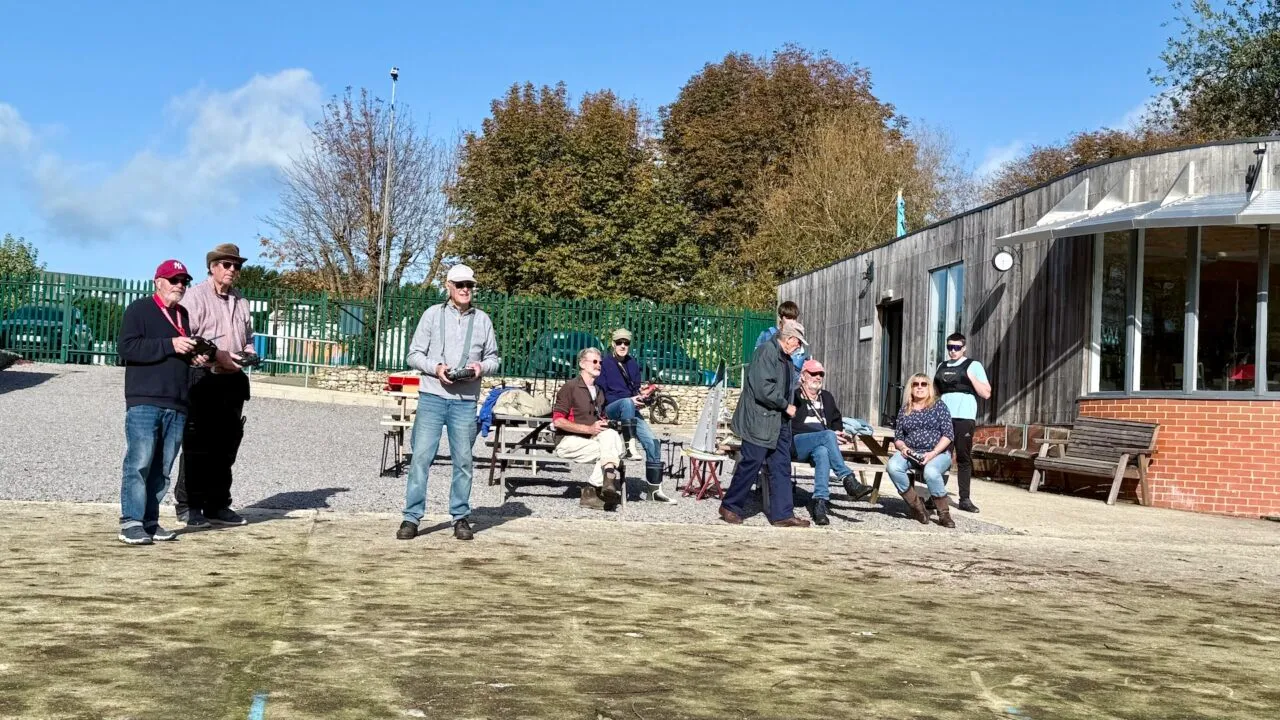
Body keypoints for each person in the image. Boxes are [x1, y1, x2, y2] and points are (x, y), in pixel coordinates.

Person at [397, 264, 501, 541]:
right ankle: (411, 517)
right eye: (460, 284)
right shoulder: (432, 315)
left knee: (463, 461)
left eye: (469, 285)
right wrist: (436, 368)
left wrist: (480, 368)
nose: (465, 289)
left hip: (465, 401)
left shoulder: (483, 320)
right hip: (432, 397)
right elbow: (413, 354)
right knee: (421, 458)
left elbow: (494, 359)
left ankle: (460, 517)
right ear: (449, 286)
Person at [116, 260, 209, 545]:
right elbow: (127, 348)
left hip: (177, 402)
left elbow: (175, 354)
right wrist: (171, 344)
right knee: (139, 463)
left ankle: (150, 521)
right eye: (173, 280)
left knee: (163, 469)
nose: (180, 285)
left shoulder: (182, 314)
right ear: (158, 282)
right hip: (145, 399)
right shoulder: (139, 309)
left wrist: (193, 357)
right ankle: (131, 522)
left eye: (184, 281)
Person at [174, 243, 257, 529]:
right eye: (227, 264)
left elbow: (248, 337)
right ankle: (188, 505)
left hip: (233, 380)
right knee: (198, 443)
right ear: (212, 267)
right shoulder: (195, 297)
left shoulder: (241, 301)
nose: (232, 270)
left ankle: (218, 503)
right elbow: (187, 337)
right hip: (204, 377)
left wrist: (248, 353)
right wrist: (216, 355)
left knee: (227, 444)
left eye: (237, 265)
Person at [719, 320, 810, 528]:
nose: (799, 346)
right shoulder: (766, 352)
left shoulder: (785, 358)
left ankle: (782, 514)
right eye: (798, 342)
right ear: (789, 339)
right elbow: (763, 389)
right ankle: (730, 506)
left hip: (779, 422)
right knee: (751, 464)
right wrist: (786, 405)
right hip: (759, 420)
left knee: (781, 467)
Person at [791, 359, 873, 525]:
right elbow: (792, 426)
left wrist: (839, 433)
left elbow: (836, 420)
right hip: (797, 443)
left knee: (822, 452)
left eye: (821, 374)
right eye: (813, 373)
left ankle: (819, 503)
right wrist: (828, 434)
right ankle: (847, 478)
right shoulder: (794, 396)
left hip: (820, 444)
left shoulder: (826, 397)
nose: (818, 377)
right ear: (803, 376)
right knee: (827, 435)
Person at [598, 327, 674, 503]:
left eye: (626, 343)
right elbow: (602, 394)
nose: (622, 346)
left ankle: (654, 491)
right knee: (626, 402)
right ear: (613, 344)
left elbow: (634, 391)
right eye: (619, 342)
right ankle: (629, 448)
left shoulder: (632, 364)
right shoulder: (605, 364)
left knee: (653, 443)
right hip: (612, 408)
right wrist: (629, 400)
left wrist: (642, 398)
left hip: (631, 409)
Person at [552, 347, 627, 508]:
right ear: (582, 364)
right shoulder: (570, 387)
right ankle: (598, 486)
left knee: (611, 436)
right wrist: (589, 429)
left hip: (591, 441)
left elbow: (599, 418)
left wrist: (604, 424)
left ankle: (595, 487)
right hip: (567, 441)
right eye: (594, 361)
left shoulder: (599, 391)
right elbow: (558, 421)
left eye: (600, 362)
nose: (598, 365)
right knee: (612, 452)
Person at [887, 374, 956, 528]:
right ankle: (917, 506)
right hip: (911, 453)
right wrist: (903, 448)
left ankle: (944, 513)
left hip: (938, 453)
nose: (919, 387)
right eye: (915, 384)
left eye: (923, 384)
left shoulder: (939, 406)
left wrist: (933, 453)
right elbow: (898, 437)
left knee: (931, 472)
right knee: (892, 466)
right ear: (910, 388)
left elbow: (948, 435)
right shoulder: (905, 409)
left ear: (929, 387)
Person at [934, 332, 991, 513]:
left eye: (957, 347)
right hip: (943, 417)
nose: (953, 351)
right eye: (950, 347)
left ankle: (964, 499)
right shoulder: (942, 366)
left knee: (963, 457)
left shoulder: (973, 365)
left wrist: (970, 376)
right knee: (940, 456)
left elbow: (986, 393)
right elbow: (935, 392)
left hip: (964, 417)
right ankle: (935, 496)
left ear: (964, 348)